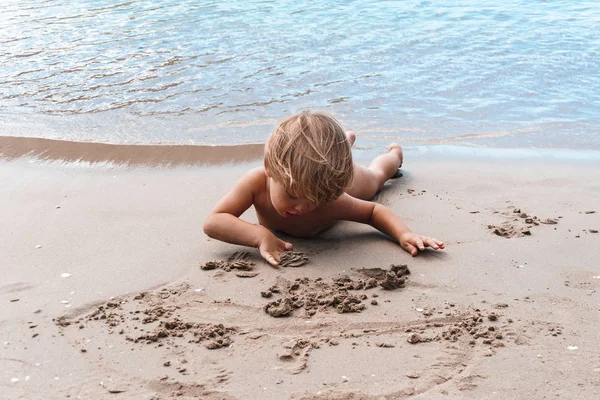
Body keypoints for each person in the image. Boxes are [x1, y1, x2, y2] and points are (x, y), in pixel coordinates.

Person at [203, 111, 445, 266]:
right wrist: (259, 236)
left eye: (315, 199)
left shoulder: (332, 196)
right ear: (270, 168)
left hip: (348, 180)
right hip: (326, 173)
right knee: (337, 161)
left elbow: (373, 212)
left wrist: (403, 234)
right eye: (294, 194)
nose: (304, 207)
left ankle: (393, 156)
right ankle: (344, 144)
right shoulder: (255, 182)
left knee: (376, 177)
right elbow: (214, 221)